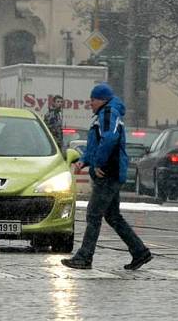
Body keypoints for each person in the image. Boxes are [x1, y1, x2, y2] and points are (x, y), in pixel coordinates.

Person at [61, 83, 152, 271]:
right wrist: (84, 161)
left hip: (108, 172)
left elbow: (109, 139)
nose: (90, 104)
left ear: (101, 99)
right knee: (112, 216)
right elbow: (95, 144)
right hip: (112, 171)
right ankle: (139, 251)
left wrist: (98, 164)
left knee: (93, 214)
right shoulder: (107, 113)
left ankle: (84, 257)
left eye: (92, 100)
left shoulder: (109, 113)